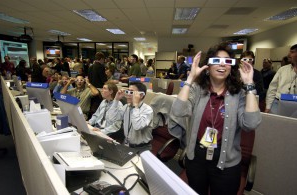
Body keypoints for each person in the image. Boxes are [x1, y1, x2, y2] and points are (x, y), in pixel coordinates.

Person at [169, 42, 261, 195]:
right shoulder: (197, 90)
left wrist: (249, 85)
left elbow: (250, 124)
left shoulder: (239, 94)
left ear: (231, 67)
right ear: (208, 66)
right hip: (196, 159)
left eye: (227, 61)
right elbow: (178, 111)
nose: (222, 65)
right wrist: (191, 78)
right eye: (216, 60)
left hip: (227, 164)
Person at [107, 81, 153, 153]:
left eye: (131, 93)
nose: (128, 95)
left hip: (142, 148)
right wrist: (116, 100)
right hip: (127, 145)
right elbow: (111, 119)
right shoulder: (126, 107)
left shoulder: (148, 110)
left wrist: (136, 105)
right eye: (127, 92)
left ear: (141, 95)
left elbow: (137, 126)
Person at [265, 44, 297, 114]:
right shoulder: (282, 70)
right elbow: (272, 89)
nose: (288, 55)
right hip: (278, 102)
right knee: (275, 124)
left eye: (292, 52)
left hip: (295, 106)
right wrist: (268, 106)